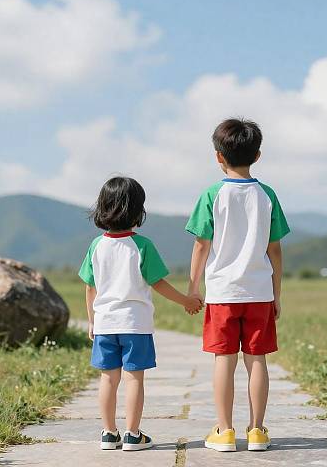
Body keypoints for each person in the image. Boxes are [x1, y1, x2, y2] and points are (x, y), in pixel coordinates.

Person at [186, 118, 290, 452]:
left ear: (218, 156)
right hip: (259, 292)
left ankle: (225, 431)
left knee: (224, 361)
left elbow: (202, 245)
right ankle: (257, 431)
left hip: (222, 294)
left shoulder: (212, 194)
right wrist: (276, 293)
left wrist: (192, 288)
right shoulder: (267, 194)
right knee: (257, 360)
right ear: (257, 155)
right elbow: (275, 249)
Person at [79, 176, 202, 451]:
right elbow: (158, 283)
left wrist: (92, 320)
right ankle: (133, 434)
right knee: (135, 377)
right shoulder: (142, 245)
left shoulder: (96, 246)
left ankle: (109, 434)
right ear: (137, 211)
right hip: (135, 325)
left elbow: (90, 288)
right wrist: (187, 300)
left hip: (105, 324)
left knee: (108, 378)